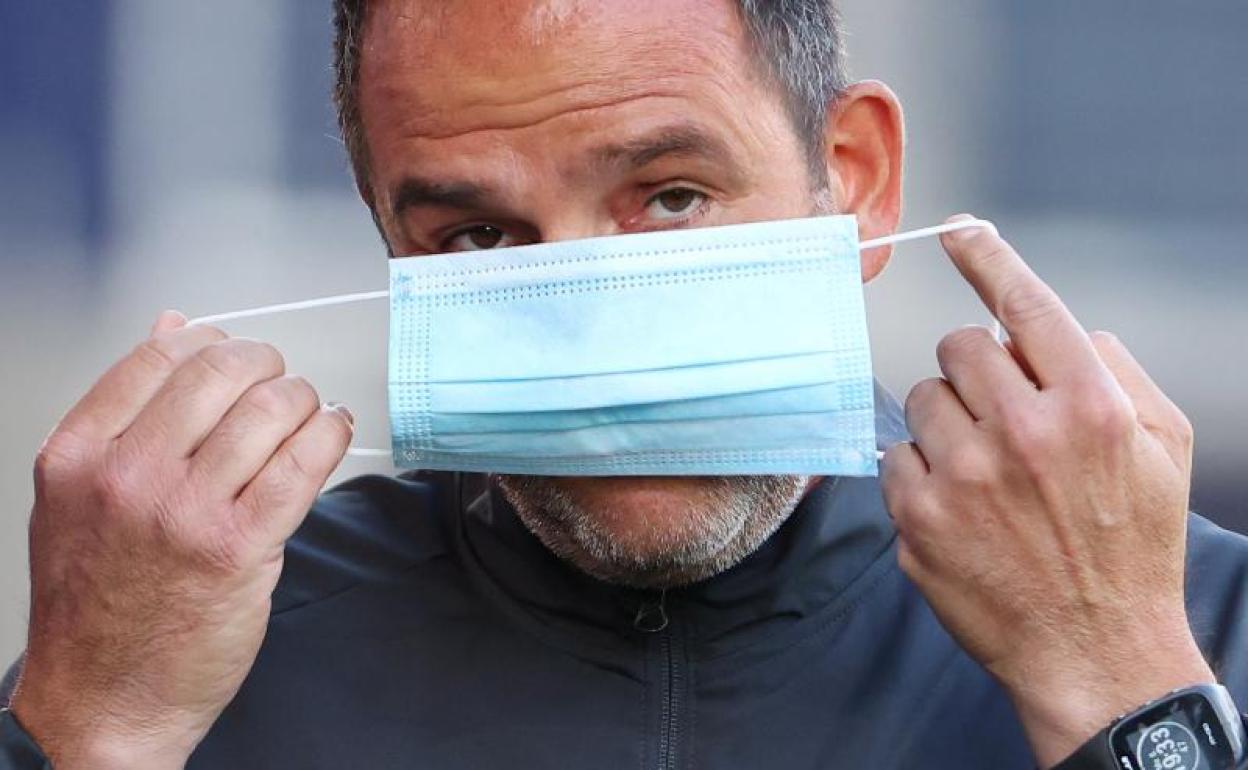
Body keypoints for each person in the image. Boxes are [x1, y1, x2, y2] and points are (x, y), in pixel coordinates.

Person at [3, 1, 1247, 768]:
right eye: (479, 236)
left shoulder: (1191, 619)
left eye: (671, 198)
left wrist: (1124, 685)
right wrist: (89, 726)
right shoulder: (194, 649)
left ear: (855, 181)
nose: (586, 316)